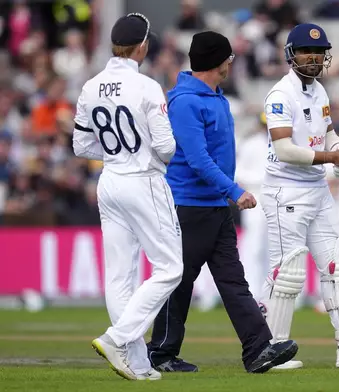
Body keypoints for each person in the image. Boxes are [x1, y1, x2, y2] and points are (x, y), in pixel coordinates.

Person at [145, 31, 298, 374]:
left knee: (232, 280)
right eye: (228, 58)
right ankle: (160, 353)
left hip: (212, 206)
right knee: (179, 282)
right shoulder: (186, 102)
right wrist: (235, 191)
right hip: (189, 207)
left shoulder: (214, 97)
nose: (232, 63)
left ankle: (258, 349)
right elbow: (197, 159)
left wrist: (226, 194)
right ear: (218, 61)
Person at [259, 22, 339, 370]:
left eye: (319, 53)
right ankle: (268, 352)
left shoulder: (319, 91)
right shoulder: (279, 95)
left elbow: (328, 134)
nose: (314, 58)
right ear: (291, 55)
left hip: (317, 189)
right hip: (285, 190)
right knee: (287, 274)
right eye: (306, 51)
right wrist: (331, 158)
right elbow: (285, 149)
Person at [73, 13, 182, 381]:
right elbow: (166, 147)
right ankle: (118, 338)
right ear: (143, 46)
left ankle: (137, 362)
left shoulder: (91, 86)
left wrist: (113, 153)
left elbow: (80, 143)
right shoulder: (148, 86)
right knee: (170, 268)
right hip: (143, 180)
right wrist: (145, 153)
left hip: (110, 181)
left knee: (120, 276)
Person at [235, 113, 270, 299]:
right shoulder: (251, 144)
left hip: (277, 197)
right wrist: (260, 181)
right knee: (254, 244)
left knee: (274, 247)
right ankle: (251, 291)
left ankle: (270, 291)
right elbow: (238, 172)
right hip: (255, 196)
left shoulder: (285, 143)